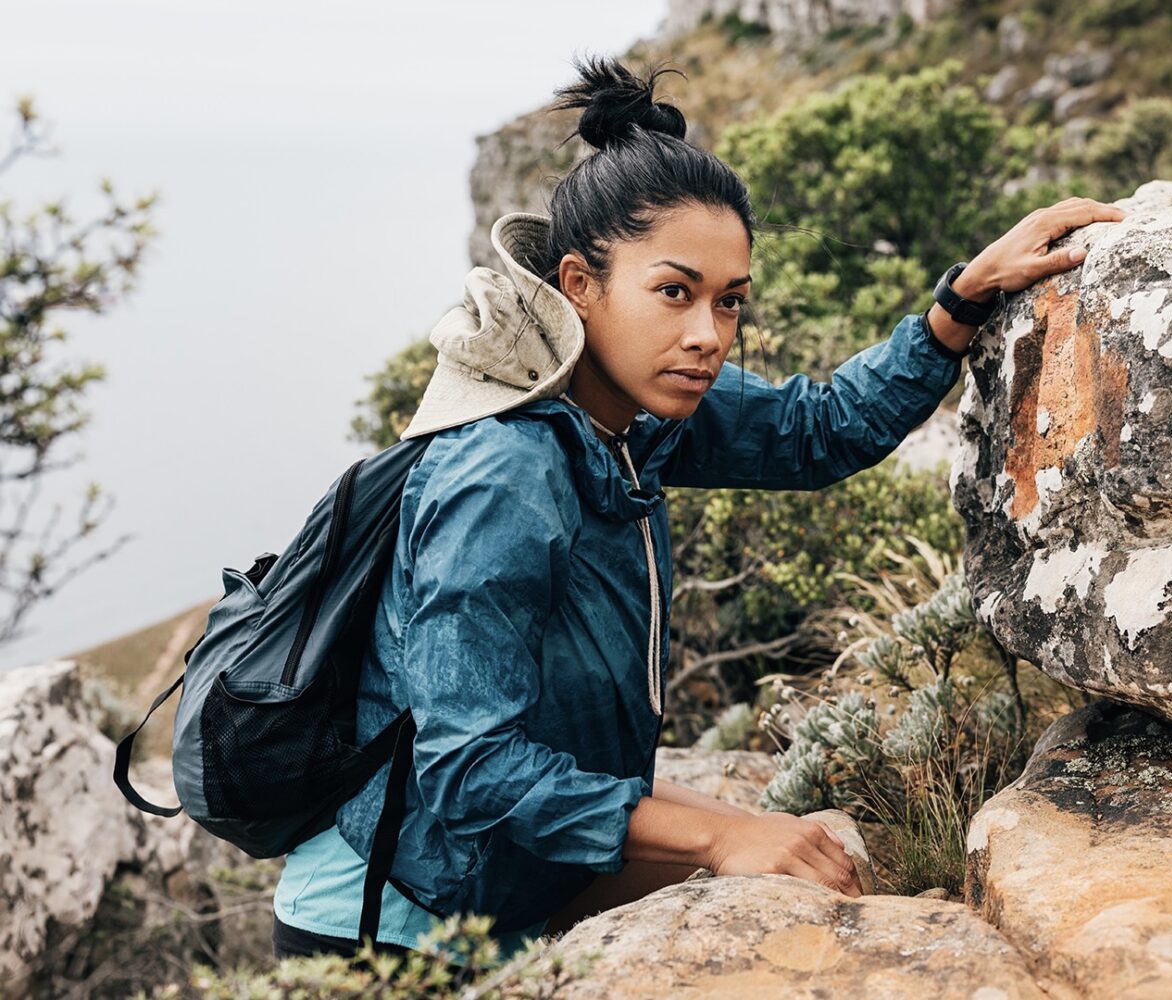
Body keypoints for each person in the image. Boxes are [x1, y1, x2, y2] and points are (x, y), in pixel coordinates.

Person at [269, 54, 1125, 963]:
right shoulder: (502, 475)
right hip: (393, 923)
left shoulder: (635, 417)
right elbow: (469, 769)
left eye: (729, 302)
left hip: (515, 876)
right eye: (674, 292)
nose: (707, 335)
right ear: (577, 286)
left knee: (819, 870)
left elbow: (816, 431)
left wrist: (958, 303)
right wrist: (720, 835)